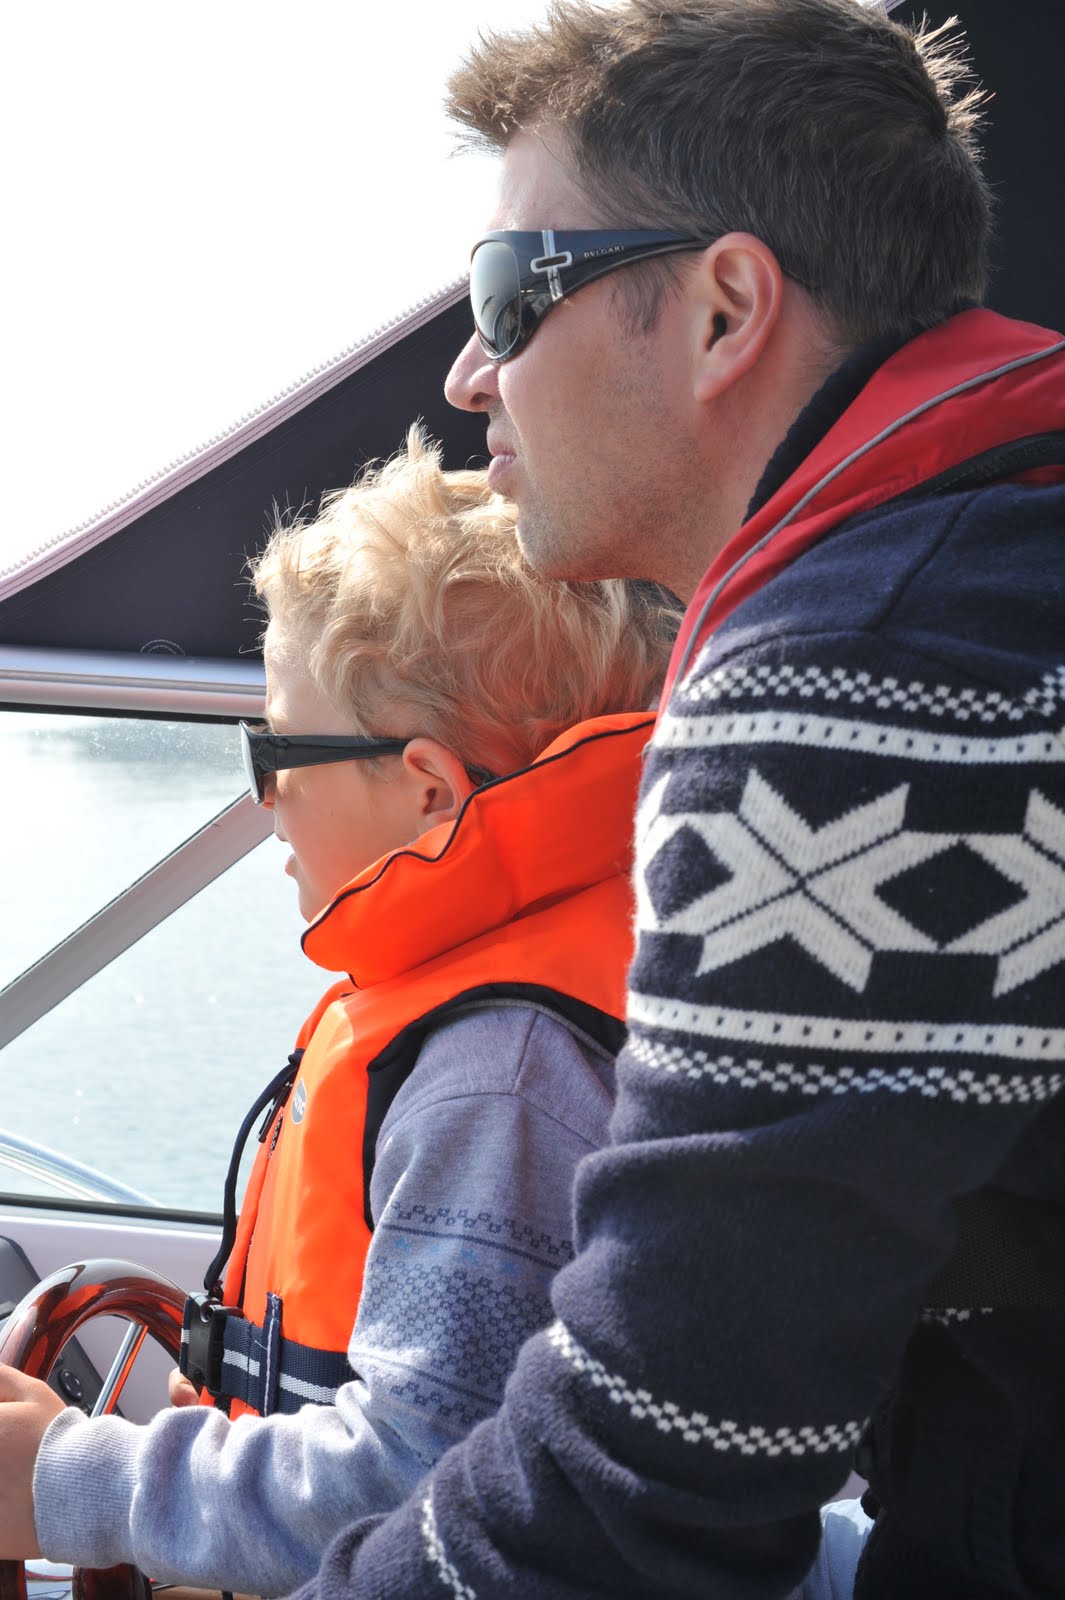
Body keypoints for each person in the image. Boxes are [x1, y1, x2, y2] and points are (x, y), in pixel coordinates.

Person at [282, 2, 1065, 1597]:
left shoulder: (858, 680)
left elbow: (662, 1472)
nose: (471, 373)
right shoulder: (993, 568)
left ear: (724, 311)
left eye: (509, 294)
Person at [0, 429, 680, 1594]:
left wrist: (63, 1477)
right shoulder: (483, 1013)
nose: (263, 797)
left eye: (275, 747)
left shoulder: (498, 1077)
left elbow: (417, 1485)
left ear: (428, 791)